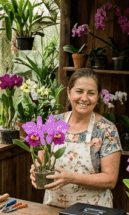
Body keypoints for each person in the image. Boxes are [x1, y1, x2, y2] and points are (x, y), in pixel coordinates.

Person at [31, 68, 121, 207]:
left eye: (91, 93)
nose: (84, 98)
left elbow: (110, 179)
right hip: (53, 209)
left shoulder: (106, 130)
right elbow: (41, 161)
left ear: (97, 98)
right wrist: (35, 171)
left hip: (92, 212)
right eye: (79, 91)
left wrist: (72, 178)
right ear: (69, 92)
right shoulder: (53, 123)